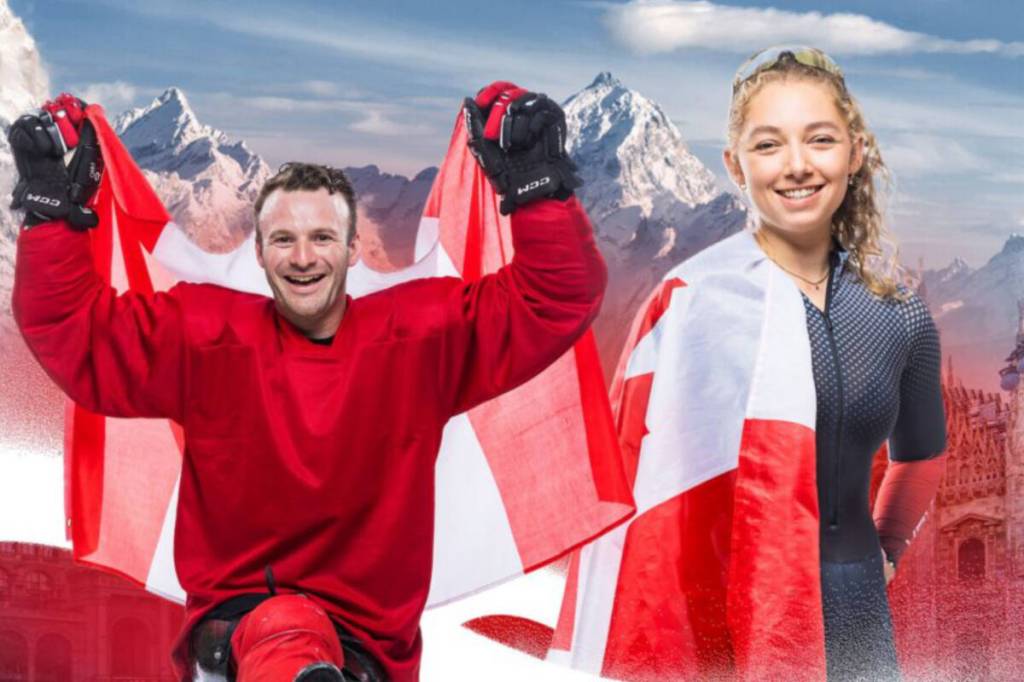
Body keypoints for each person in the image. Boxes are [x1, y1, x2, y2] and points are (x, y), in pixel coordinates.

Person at [10, 82, 603, 682]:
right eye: (284, 241)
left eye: (321, 238)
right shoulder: (203, 334)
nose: (302, 257)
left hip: (369, 646)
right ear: (262, 256)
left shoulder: (420, 338)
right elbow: (74, 332)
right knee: (284, 620)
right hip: (240, 632)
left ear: (351, 249)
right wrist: (48, 219)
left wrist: (540, 192)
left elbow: (552, 298)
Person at [548, 47, 946, 681]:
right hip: (722, 601)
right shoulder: (691, 302)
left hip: (852, 608)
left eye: (819, 139)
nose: (796, 166)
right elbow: (631, 471)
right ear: (735, 165)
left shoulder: (897, 315)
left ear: (855, 151)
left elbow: (921, 453)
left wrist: (887, 547)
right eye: (768, 145)